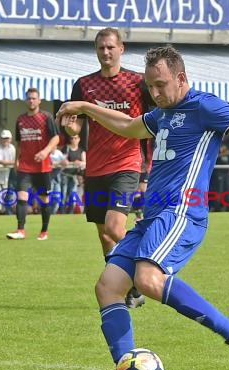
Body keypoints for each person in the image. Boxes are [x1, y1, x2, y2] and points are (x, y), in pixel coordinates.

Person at [56, 44, 229, 370]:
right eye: (150, 86)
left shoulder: (205, 106)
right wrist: (87, 107)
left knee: (147, 280)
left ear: (181, 78)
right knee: (108, 287)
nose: (155, 93)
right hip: (154, 214)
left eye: (161, 84)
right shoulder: (160, 114)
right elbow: (130, 126)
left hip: (182, 212)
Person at [62, 27, 153, 308]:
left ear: (121, 48)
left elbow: (152, 124)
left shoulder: (137, 83)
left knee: (115, 228)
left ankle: (143, 270)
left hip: (127, 164)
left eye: (111, 47)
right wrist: (70, 126)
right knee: (104, 234)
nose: (106, 52)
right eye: (101, 47)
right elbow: (76, 122)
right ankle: (128, 288)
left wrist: (147, 171)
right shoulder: (84, 85)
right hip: (95, 167)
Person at [6, 87, 60, 241]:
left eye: (34, 98)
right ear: (26, 100)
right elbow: (18, 142)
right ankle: (20, 230)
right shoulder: (20, 120)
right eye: (29, 98)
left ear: (39, 100)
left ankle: (44, 231)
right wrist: (17, 159)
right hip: (25, 166)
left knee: (44, 200)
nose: (31, 100)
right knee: (21, 197)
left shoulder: (46, 117)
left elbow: (56, 138)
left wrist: (45, 151)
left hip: (43, 167)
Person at [61, 134, 86, 214]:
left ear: (79, 139)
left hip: (75, 176)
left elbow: (85, 162)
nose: (74, 140)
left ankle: (71, 213)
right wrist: (71, 163)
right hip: (65, 175)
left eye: (76, 138)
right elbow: (62, 160)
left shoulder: (81, 151)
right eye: (72, 138)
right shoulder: (66, 148)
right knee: (63, 195)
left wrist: (79, 163)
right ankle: (62, 213)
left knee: (73, 195)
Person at [0, 129, 17, 215]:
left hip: (10, 175)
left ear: (10, 139)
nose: (5, 140)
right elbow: (0, 161)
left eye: (7, 138)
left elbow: (13, 161)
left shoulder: (12, 148)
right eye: (4, 138)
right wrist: (13, 163)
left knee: (9, 194)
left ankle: (8, 213)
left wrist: (11, 163)